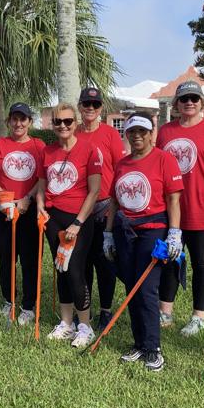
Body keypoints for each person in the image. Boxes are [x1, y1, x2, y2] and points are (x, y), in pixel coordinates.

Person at [104, 112, 183, 371]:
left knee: (146, 288)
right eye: (132, 132)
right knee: (131, 287)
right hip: (125, 230)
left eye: (142, 132)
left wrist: (174, 233)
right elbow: (115, 200)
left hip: (153, 230)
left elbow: (173, 199)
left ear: (151, 134)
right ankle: (138, 343)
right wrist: (107, 233)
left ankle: (153, 347)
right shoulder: (123, 163)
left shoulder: (164, 159)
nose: (137, 136)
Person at [155, 80, 204, 336]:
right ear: (176, 104)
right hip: (171, 210)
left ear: (201, 103)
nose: (189, 103)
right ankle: (165, 311)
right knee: (168, 260)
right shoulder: (165, 132)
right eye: (184, 98)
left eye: (194, 99)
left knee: (202, 263)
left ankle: (199, 316)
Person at [36, 102, 102, 349]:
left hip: (79, 220)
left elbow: (94, 191)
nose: (63, 126)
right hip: (54, 218)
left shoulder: (88, 149)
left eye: (67, 121)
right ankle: (67, 323)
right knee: (60, 269)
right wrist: (41, 207)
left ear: (75, 123)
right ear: (52, 124)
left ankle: (85, 326)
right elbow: (42, 186)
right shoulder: (47, 151)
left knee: (75, 271)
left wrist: (77, 222)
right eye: (58, 122)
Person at [0, 102, 46, 325]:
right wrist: (4, 198)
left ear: (30, 122)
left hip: (28, 209)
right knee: (6, 257)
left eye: (23, 119)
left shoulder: (38, 146)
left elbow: (42, 179)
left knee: (31, 259)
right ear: (8, 121)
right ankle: (9, 299)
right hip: (3, 209)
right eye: (15, 119)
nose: (18, 123)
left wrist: (26, 199)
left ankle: (29, 306)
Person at [75, 87, 126, 331]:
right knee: (82, 261)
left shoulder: (109, 134)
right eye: (86, 104)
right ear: (80, 106)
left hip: (105, 205)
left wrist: (115, 207)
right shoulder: (72, 132)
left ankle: (106, 309)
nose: (90, 109)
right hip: (79, 207)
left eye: (95, 105)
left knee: (104, 262)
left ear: (101, 109)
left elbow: (120, 170)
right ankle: (84, 309)